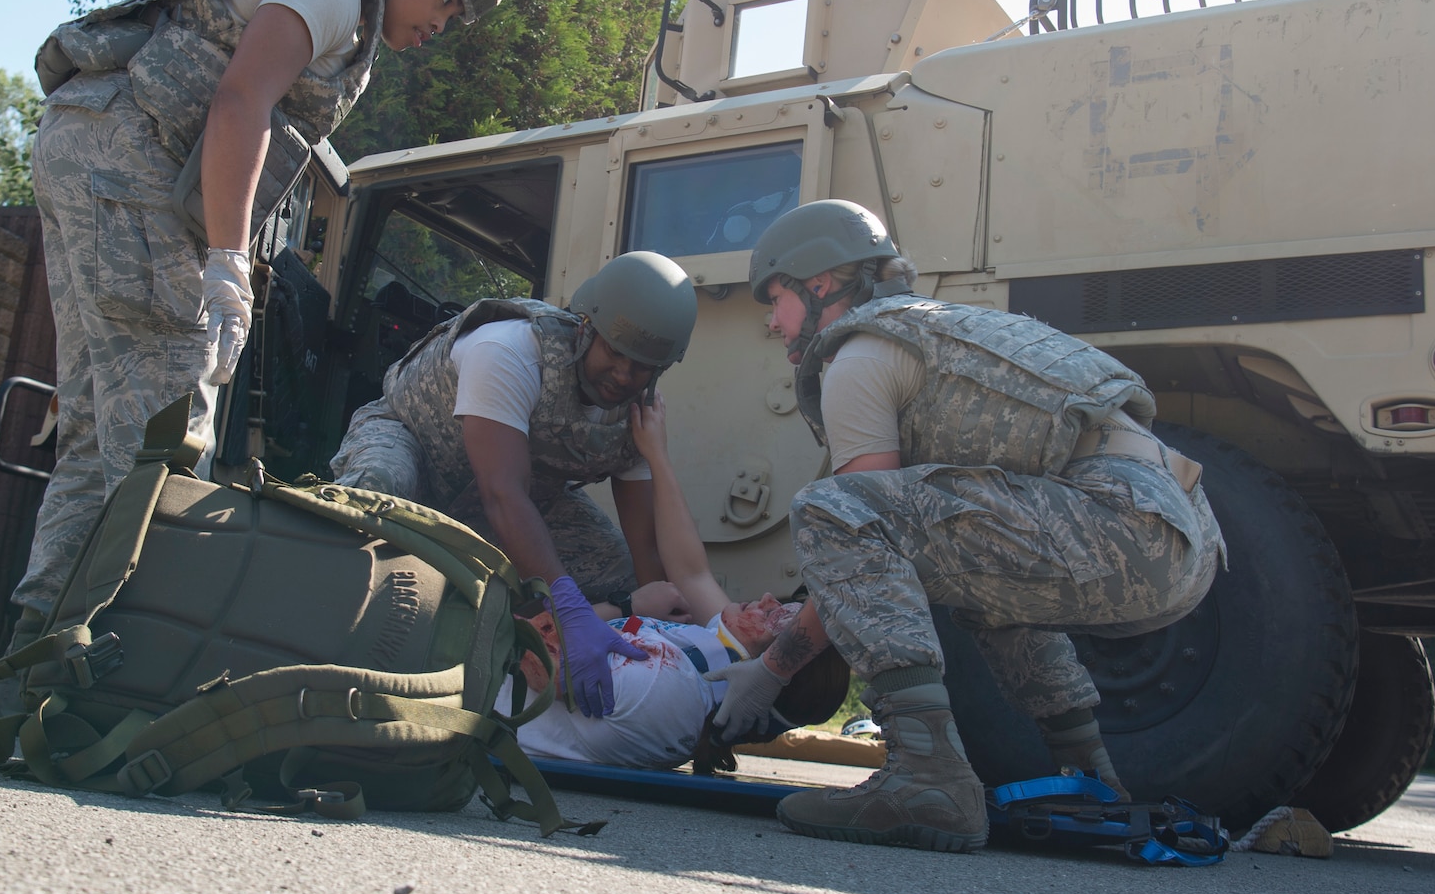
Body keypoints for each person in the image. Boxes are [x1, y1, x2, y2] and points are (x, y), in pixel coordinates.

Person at [0, 0, 512, 713]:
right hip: (126, 163)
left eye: (455, 16)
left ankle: (33, 676)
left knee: (104, 437)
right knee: (165, 431)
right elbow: (240, 100)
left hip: (100, 150)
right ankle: (70, 683)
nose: (439, 24)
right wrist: (230, 263)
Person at [709, 199, 1226, 852]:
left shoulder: (860, 354)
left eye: (776, 297)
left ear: (821, 285)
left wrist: (773, 670)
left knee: (828, 508)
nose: (771, 320)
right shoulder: (940, 329)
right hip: (1184, 537)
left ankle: (926, 778)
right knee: (979, 578)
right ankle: (1091, 777)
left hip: (1118, 520)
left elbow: (853, 521)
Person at [329, 251, 700, 714]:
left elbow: (645, 548)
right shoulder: (512, 349)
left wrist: (660, 641)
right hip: (416, 448)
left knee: (618, 574)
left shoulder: (639, 412)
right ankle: (325, 651)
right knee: (376, 497)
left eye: (642, 366)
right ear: (586, 327)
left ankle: (529, 671)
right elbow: (502, 492)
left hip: (512, 500)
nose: (624, 375)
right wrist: (564, 603)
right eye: (615, 353)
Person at [497, 393, 848, 768]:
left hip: (462, 695)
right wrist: (656, 455)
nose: (765, 599)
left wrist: (625, 605)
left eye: (776, 617)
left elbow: (513, 646)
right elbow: (691, 571)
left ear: (765, 673)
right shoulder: (709, 676)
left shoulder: (658, 683)